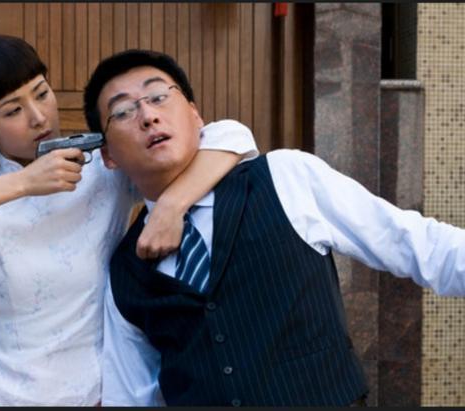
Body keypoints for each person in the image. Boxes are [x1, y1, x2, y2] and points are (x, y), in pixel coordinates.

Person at [82, 49, 465, 407]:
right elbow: (130, 396)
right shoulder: (125, 271)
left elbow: (413, 243)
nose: (148, 116)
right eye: (123, 112)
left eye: (159, 97)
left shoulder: (285, 177)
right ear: (108, 156)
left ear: (196, 116)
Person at [0, 35, 258, 406]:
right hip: (6, 398)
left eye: (41, 93)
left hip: (104, 395)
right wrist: (24, 183)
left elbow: (232, 136)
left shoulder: (99, 168)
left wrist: (171, 207)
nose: (38, 116)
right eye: (13, 111)